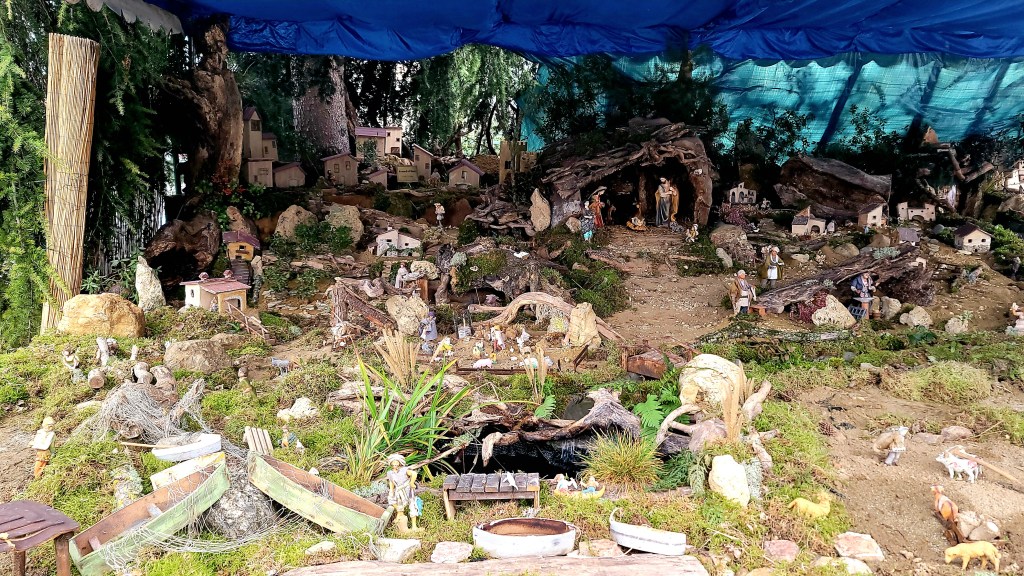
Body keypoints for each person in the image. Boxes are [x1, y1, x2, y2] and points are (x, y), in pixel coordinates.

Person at [386, 454, 421, 531]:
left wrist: (412, 483)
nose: (395, 464)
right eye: (393, 462)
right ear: (391, 463)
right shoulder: (390, 473)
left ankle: (414, 527)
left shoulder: (404, 470)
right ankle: (401, 524)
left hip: (408, 491)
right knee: (397, 505)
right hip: (399, 492)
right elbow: (391, 482)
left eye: (396, 462)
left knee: (413, 506)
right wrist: (391, 491)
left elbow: (414, 474)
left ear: (400, 462)